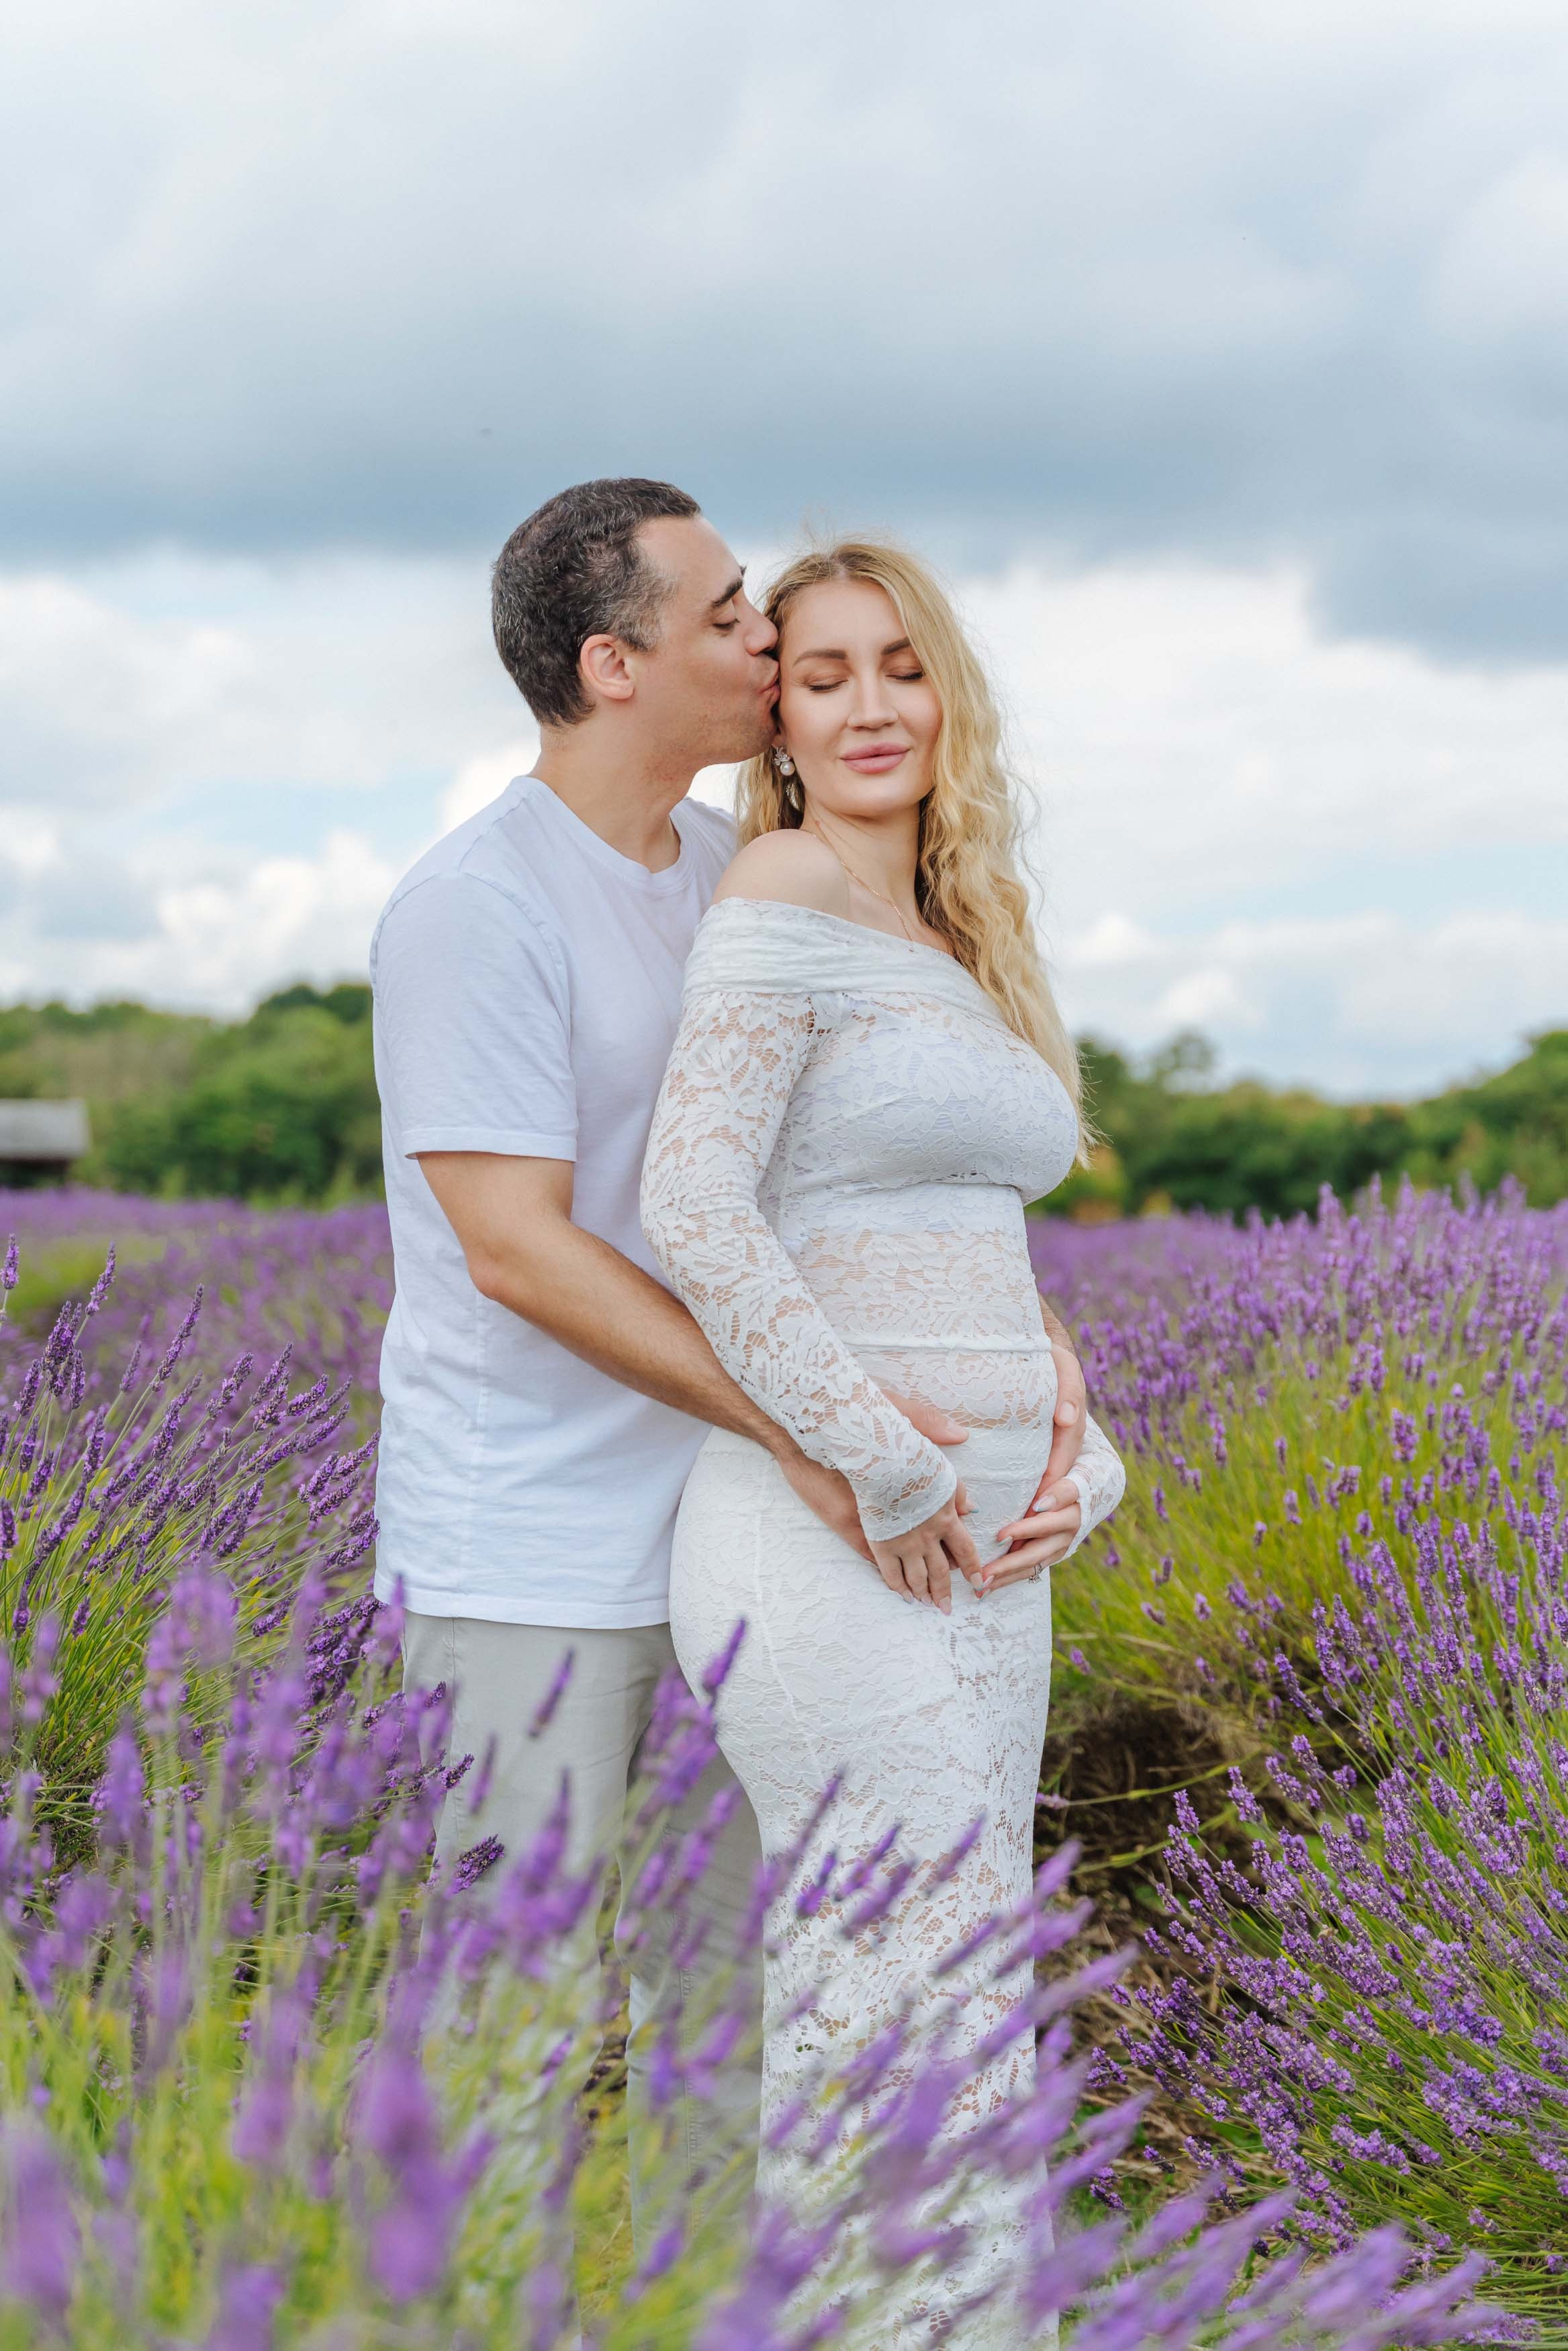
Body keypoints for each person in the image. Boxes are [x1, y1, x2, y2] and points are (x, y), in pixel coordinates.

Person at [368, 480, 1093, 2247]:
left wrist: (1023, 1358)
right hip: (529, 1546)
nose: (764, 643)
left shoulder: (727, 872)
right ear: (616, 665)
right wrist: (834, 1426)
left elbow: (846, 1160)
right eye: (732, 617)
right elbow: (517, 1246)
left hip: (733, 1519)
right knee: (516, 2039)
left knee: (727, 2028)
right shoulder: (477, 904)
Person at [641, 537, 1127, 2340]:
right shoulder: (778, 881)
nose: (868, 705)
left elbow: (970, 1252)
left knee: (965, 1998)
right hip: (826, 1531)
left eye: (901, 666)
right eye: (824, 670)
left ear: (950, 694)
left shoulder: (956, 925)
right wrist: (887, 1455)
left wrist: (1081, 1457)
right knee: (891, 1995)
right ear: (774, 713)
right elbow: (693, 1203)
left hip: (992, 1560)